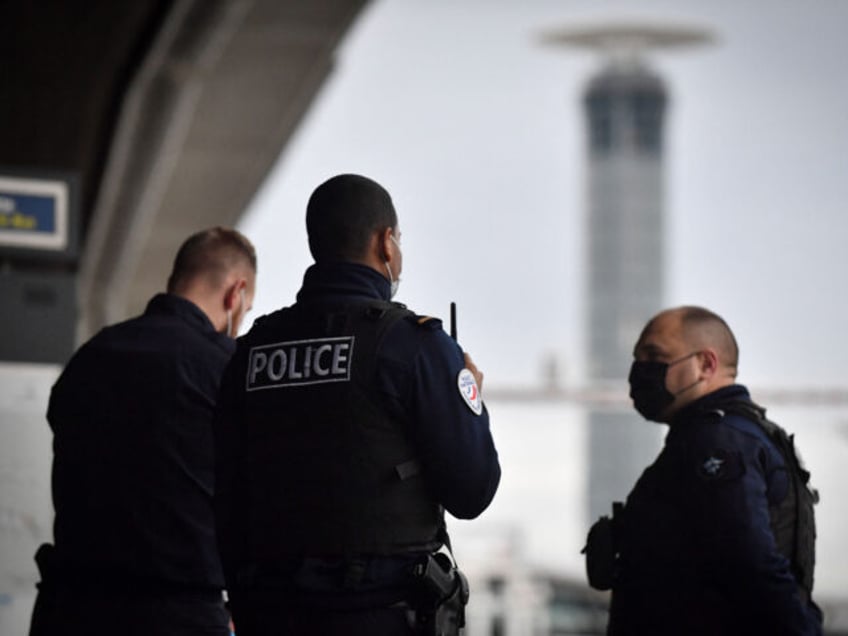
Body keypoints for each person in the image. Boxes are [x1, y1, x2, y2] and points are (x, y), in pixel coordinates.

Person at [213, 173, 501, 636]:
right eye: (399, 241)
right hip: (382, 614)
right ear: (386, 244)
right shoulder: (415, 346)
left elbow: (224, 497)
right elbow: (473, 491)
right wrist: (472, 401)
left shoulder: (251, 351)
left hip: (272, 612)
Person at [29, 227, 257, 636]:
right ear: (235, 294)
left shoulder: (90, 356)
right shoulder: (225, 368)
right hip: (178, 613)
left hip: (69, 610)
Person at [585, 305, 822, 635]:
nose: (639, 370)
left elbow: (751, 564)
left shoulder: (717, 442)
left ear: (705, 365)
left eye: (655, 356)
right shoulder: (728, 435)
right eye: (638, 359)